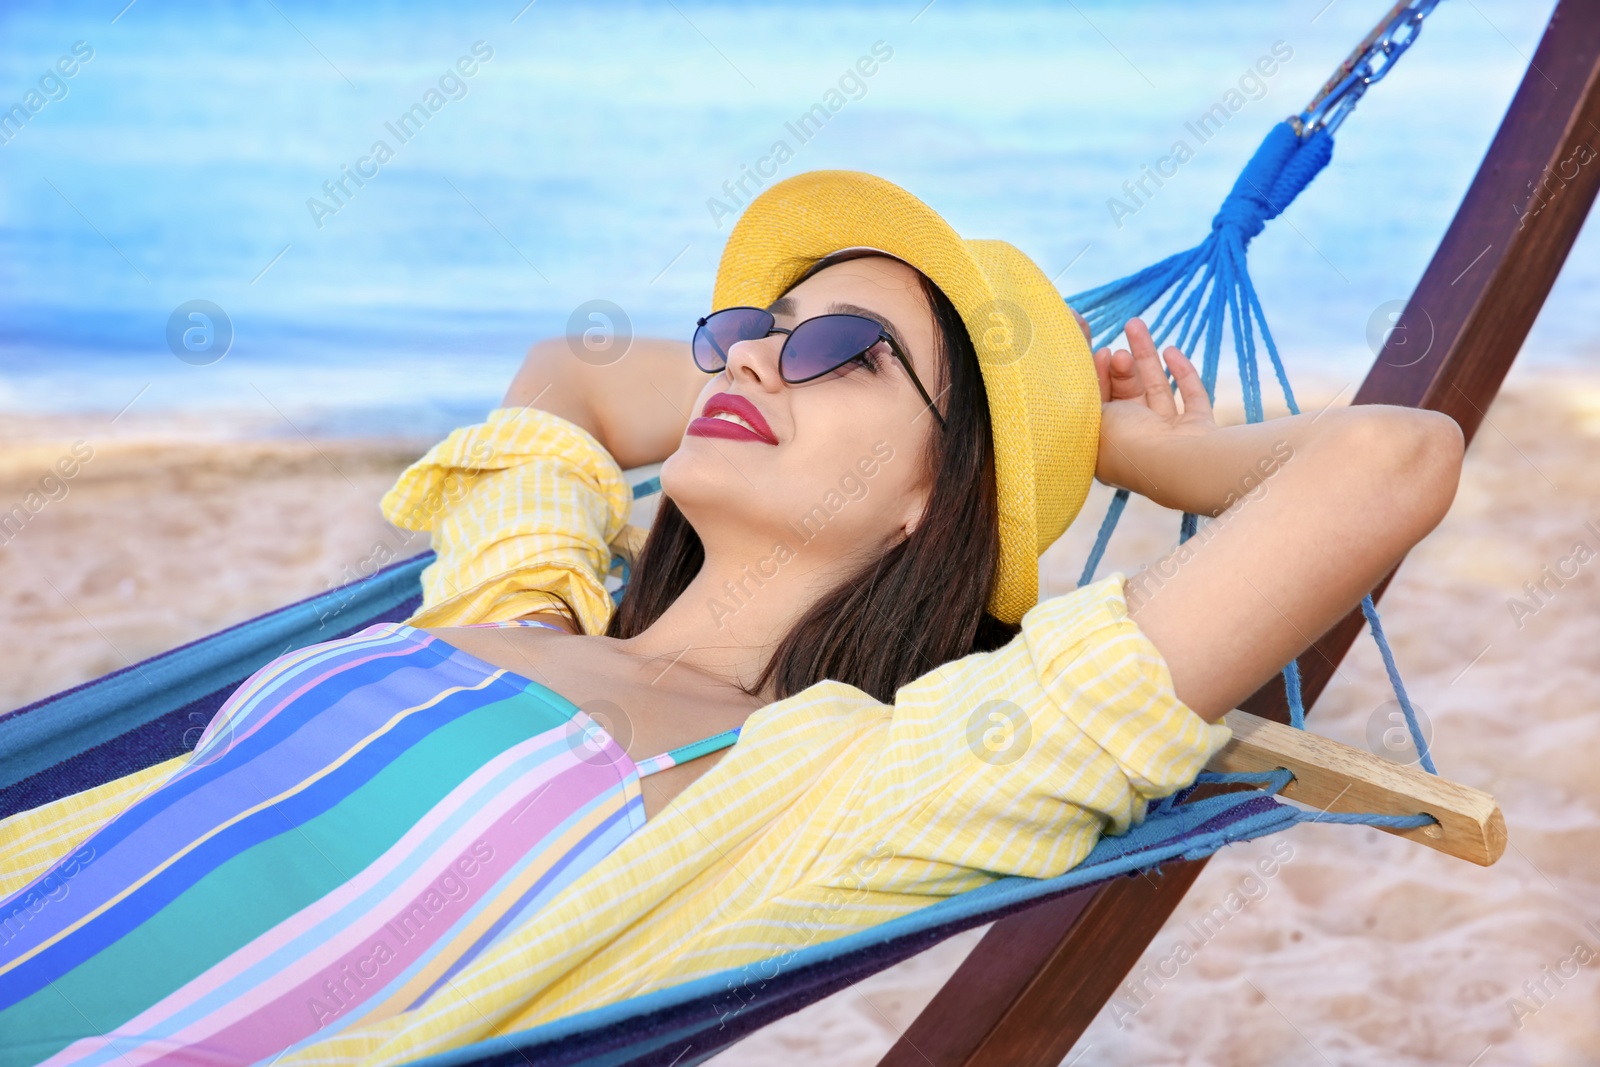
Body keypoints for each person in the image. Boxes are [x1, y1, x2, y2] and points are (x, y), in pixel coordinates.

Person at [0, 170, 1463, 1067]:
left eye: (843, 352)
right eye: (750, 333)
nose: (758, 354)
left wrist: (1091, 444)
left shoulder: (837, 788)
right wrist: (908, 397)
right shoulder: (517, 594)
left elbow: (1392, 462)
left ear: (930, 502)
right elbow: (567, 384)